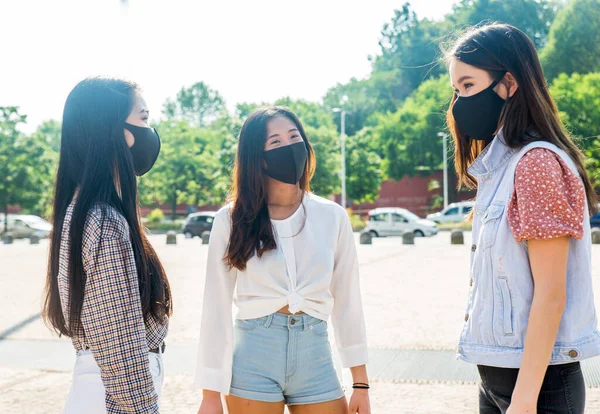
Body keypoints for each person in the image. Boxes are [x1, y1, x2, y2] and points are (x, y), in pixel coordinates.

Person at [446, 24, 600, 414]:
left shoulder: (535, 163)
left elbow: (551, 292)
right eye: (455, 89)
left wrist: (525, 399)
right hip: (500, 378)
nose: (458, 102)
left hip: (538, 388)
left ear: (509, 83)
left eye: (467, 85)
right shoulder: (501, 167)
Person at [195, 107, 370, 414]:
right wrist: (210, 394)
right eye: (275, 142)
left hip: (315, 352)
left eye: (294, 137)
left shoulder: (332, 216)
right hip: (253, 355)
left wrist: (360, 383)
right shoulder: (231, 219)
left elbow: (348, 301)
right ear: (257, 157)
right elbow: (216, 307)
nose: (289, 147)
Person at [42, 77, 172, 413]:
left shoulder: (84, 209)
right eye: (143, 119)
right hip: (111, 396)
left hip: (96, 389)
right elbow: (119, 344)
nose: (150, 130)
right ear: (114, 131)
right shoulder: (104, 220)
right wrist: (143, 408)